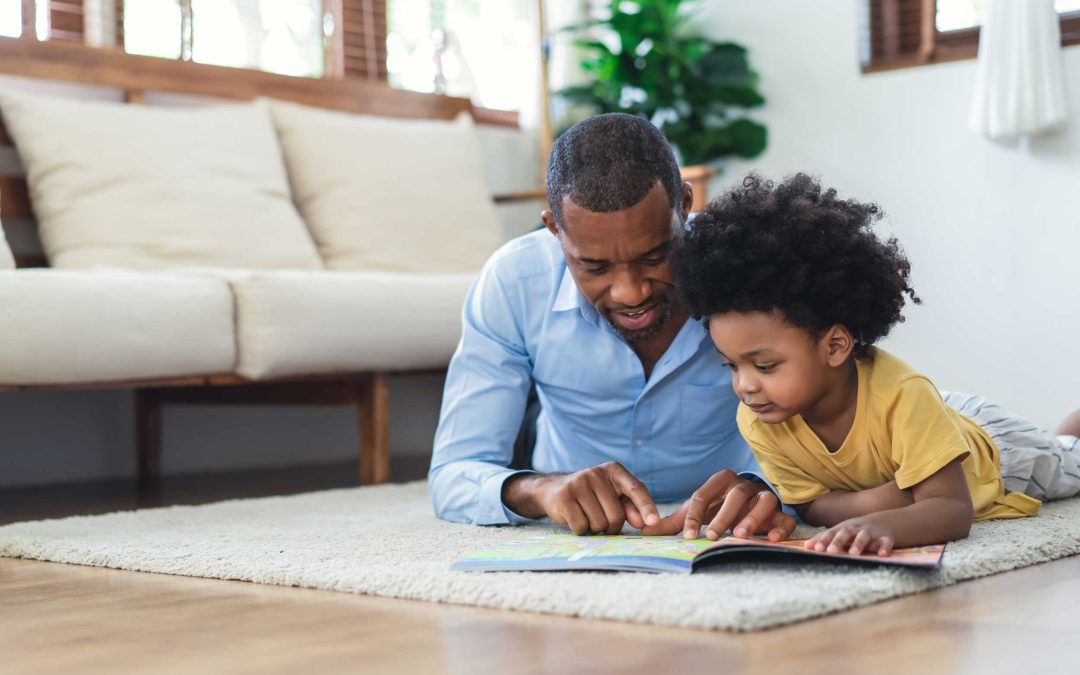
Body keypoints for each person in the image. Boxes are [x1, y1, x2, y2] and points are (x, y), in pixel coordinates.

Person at [428, 114, 795, 541]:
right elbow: (454, 473)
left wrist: (766, 485)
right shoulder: (513, 283)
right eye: (595, 266)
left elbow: (833, 421)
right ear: (554, 230)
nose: (630, 293)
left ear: (685, 206)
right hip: (558, 469)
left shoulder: (752, 274)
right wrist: (542, 489)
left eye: (655, 257)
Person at [671, 172, 1080, 555]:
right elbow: (812, 506)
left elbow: (952, 510)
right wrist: (887, 500)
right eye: (731, 366)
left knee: (1070, 460)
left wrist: (888, 524)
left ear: (834, 346)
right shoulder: (759, 418)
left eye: (764, 366)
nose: (744, 386)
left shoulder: (902, 395)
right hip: (932, 425)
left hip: (998, 451)